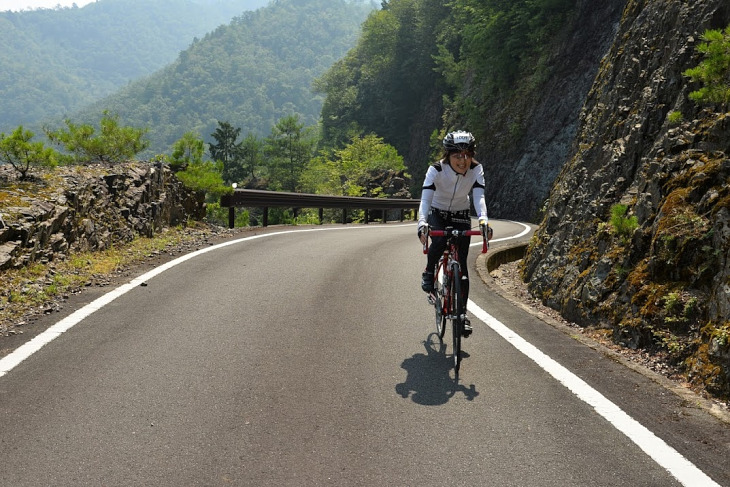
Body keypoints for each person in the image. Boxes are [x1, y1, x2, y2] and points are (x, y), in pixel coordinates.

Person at [417, 130, 488, 337]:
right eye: (457, 155)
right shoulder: (436, 170)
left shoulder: (476, 169)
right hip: (437, 212)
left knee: (463, 267)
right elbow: (425, 200)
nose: (463, 160)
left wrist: (482, 218)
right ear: (447, 155)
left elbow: (479, 197)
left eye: (467, 154)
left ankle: (462, 315)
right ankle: (429, 272)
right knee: (438, 243)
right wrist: (422, 223)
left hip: (461, 213)